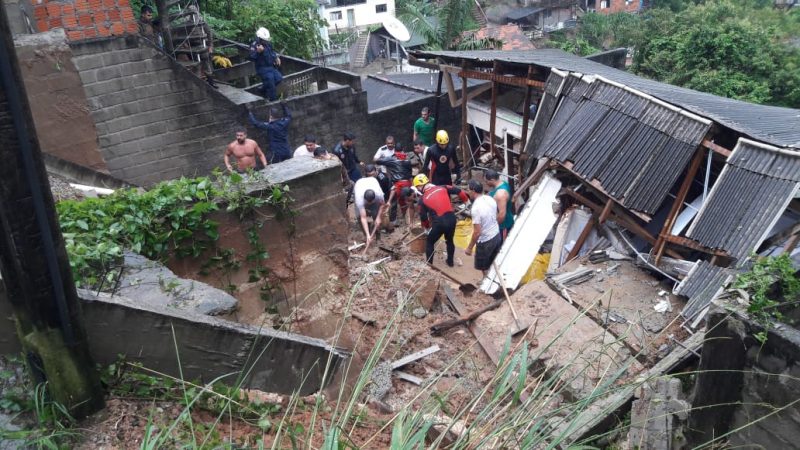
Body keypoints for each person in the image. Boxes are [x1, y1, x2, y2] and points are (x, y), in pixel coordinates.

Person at [414, 174, 469, 267]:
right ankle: (450, 262)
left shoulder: (422, 200)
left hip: (439, 223)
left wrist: (427, 228)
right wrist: (467, 202)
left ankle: (429, 266)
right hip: (452, 219)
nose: (418, 190)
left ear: (420, 186)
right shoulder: (443, 187)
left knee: (430, 242)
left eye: (417, 188)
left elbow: (423, 217)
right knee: (450, 240)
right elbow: (459, 191)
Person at [465, 180, 501, 274]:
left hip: (486, 241)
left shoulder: (476, 209)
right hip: (496, 235)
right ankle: (492, 281)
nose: (468, 192)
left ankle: (485, 285)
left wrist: (469, 248)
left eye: (468, 190)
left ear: (473, 191)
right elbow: (496, 215)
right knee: (494, 261)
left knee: (484, 267)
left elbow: (477, 232)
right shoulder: (490, 199)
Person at [376, 150, 414, 228]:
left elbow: (377, 161)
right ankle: (408, 219)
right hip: (407, 183)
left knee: (394, 201)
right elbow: (410, 175)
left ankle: (394, 220)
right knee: (407, 201)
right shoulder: (408, 161)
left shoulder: (391, 160)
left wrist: (389, 201)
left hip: (398, 184)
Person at [353, 172, 388, 247]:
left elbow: (382, 205)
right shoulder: (359, 199)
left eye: (371, 202)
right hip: (359, 185)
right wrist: (368, 235)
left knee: (376, 215)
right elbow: (363, 217)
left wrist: (378, 218)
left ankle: (378, 237)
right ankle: (367, 236)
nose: (369, 203)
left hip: (372, 183)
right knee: (359, 216)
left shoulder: (379, 194)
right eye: (368, 202)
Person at [248, 27, 283, 101]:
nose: (266, 41)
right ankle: (274, 102)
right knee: (271, 85)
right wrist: (258, 52)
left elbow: (272, 52)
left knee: (279, 78)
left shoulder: (268, 44)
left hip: (271, 66)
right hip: (262, 68)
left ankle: (262, 90)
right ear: (259, 38)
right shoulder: (255, 45)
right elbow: (251, 57)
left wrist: (276, 58)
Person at [485, 169, 515, 240]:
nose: (486, 183)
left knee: (502, 247)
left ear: (492, 180)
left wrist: (492, 227)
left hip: (503, 226)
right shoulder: (503, 183)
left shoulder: (500, 194)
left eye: (486, 181)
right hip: (501, 223)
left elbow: (501, 215)